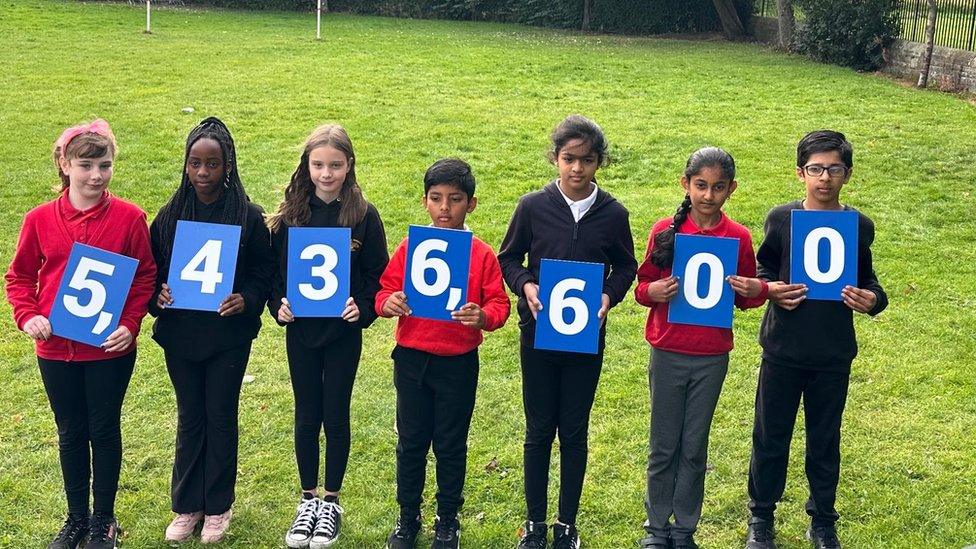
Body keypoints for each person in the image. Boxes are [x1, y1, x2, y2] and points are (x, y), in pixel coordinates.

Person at [5, 119, 156, 549]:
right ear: (64, 165)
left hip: (107, 350)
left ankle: (103, 520)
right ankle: (75, 518)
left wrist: (130, 324)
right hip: (55, 349)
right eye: (85, 164)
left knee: (104, 429)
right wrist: (27, 314)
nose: (95, 175)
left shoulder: (129, 218)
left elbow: (144, 277)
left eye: (104, 165)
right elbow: (18, 277)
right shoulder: (39, 219)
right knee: (70, 431)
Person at [497, 114, 637, 549]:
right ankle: (535, 524)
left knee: (574, 430)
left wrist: (609, 296)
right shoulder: (533, 206)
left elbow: (627, 265)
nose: (577, 169)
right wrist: (526, 285)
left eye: (587, 160)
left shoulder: (613, 213)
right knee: (539, 429)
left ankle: (567, 525)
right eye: (569, 159)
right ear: (555, 159)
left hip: (585, 338)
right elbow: (508, 258)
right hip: (537, 335)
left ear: (600, 162)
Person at [744, 130, 888, 549]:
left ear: (847, 174)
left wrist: (873, 299)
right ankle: (761, 516)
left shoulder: (858, 225)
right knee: (771, 436)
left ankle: (823, 520)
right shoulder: (781, 218)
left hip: (832, 352)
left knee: (824, 439)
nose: (824, 178)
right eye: (815, 169)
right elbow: (764, 268)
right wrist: (771, 289)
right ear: (800, 173)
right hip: (783, 348)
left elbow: (868, 280)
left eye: (834, 169)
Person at [634, 147, 767, 549]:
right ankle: (656, 529)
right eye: (701, 186)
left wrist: (753, 289)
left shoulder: (739, 237)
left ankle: (684, 528)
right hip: (669, 349)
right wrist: (653, 291)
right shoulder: (666, 231)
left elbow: (748, 296)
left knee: (694, 445)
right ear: (686, 184)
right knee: (663, 445)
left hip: (711, 355)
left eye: (718, 188)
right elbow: (642, 287)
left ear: (731, 189)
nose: (708, 196)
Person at [149, 117, 275, 544]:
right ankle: (187, 505)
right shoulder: (170, 215)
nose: (203, 173)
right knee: (191, 417)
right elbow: (151, 271)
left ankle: (219, 506)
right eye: (195, 164)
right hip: (182, 335)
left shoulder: (247, 215)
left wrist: (247, 299)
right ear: (185, 166)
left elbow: (264, 269)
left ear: (228, 167)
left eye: (213, 165)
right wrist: (157, 295)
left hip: (227, 337)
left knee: (220, 416)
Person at [377, 158, 510, 549]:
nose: (445, 208)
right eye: (436, 199)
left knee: (451, 444)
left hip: (458, 361)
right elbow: (383, 291)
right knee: (412, 441)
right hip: (412, 357)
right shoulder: (410, 247)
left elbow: (499, 304)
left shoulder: (481, 254)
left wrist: (483, 316)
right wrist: (390, 303)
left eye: (455, 199)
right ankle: (407, 517)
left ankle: (447, 519)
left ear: (471, 204)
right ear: (425, 202)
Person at [268, 124, 389, 548]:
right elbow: (274, 275)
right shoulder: (290, 215)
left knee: (335, 412)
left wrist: (363, 305)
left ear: (349, 166)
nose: (326, 173)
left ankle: (331, 501)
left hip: (341, 333)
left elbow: (378, 275)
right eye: (318, 164)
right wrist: (278, 304)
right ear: (307, 165)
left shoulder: (362, 215)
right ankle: (307, 500)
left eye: (335, 165)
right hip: (301, 331)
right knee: (306, 412)